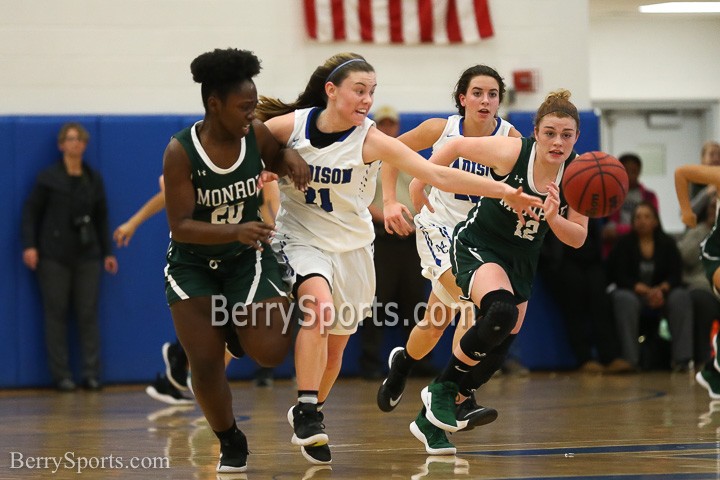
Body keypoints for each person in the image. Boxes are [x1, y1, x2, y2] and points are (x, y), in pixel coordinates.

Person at [255, 52, 542, 465]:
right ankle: (437, 399)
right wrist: (271, 165)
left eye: (372, 92)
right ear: (332, 92)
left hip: (368, 244)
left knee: (359, 343)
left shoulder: (373, 139)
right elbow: (244, 147)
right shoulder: (294, 126)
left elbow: (435, 173)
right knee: (323, 309)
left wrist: (507, 194)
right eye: (360, 90)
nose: (367, 100)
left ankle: (378, 377)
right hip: (334, 235)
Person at [414, 89, 588, 454]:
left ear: (577, 137)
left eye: (567, 135)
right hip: (480, 243)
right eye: (551, 133)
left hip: (521, 258)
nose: (558, 142)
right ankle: (440, 390)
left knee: (500, 344)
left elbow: (577, 238)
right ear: (536, 133)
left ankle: (431, 418)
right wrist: (422, 178)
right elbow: (457, 145)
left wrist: (554, 217)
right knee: (500, 312)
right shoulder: (513, 151)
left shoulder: (579, 175)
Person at [161, 47, 309, 474]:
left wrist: (289, 158)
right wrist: (234, 229)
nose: (251, 114)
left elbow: (276, 154)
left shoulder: (255, 135)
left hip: (246, 259)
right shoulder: (181, 151)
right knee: (204, 364)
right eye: (244, 107)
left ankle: (240, 329)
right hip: (192, 265)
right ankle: (229, 438)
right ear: (214, 104)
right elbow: (181, 226)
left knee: (268, 352)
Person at [376, 65, 521, 426]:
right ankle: (458, 394)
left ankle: (402, 366)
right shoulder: (439, 130)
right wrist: (391, 201)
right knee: (475, 302)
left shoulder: (511, 137)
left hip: (481, 238)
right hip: (438, 225)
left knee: (435, 322)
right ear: (463, 98)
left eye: (492, 94)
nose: (485, 100)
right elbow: (391, 153)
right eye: (477, 93)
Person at [114, 177, 280, 404]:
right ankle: (187, 370)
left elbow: (269, 205)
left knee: (229, 323)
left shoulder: (259, 163)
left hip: (241, 255)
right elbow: (166, 186)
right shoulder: (197, 159)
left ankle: (178, 369)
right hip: (204, 254)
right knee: (216, 321)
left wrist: (277, 247)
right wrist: (133, 222)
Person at [21, 122, 119, 392]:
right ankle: (61, 375)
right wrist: (30, 246)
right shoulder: (48, 178)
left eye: (80, 139)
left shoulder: (92, 178)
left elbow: (101, 217)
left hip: (88, 256)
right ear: (61, 144)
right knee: (56, 315)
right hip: (54, 257)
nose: (76, 144)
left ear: (85, 145)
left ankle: (91, 374)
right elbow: (31, 213)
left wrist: (108, 253)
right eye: (71, 139)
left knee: (88, 315)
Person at [360, 104, 434, 380]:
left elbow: (425, 191)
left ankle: (419, 361)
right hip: (383, 236)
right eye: (384, 124)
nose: (389, 129)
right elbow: (362, 200)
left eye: (392, 124)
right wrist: (387, 217)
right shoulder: (369, 159)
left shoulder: (410, 156)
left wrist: (415, 221)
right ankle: (369, 363)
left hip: (412, 237)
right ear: (377, 127)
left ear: (398, 126)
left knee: (415, 301)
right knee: (377, 302)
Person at [606, 201, 693, 372]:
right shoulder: (623, 244)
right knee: (624, 299)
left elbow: (676, 273)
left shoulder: (667, 243)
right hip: (634, 293)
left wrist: (661, 289)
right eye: (637, 217)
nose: (642, 221)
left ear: (655, 221)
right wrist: (646, 291)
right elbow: (618, 275)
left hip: (663, 293)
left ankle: (682, 360)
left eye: (647, 217)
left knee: (681, 297)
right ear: (632, 222)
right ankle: (631, 360)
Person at [538, 218, 633, 374]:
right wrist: (550, 261)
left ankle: (610, 357)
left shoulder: (586, 200)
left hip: (591, 258)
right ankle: (585, 358)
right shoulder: (551, 196)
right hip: (562, 260)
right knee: (574, 302)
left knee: (601, 301)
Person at [675, 163, 720, 398]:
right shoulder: (718, 176)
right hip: (716, 254)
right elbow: (681, 173)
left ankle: (712, 372)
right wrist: (686, 212)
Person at [601, 152, 659, 255]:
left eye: (633, 171)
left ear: (639, 171)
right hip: (617, 247)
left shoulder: (649, 196)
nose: (630, 174)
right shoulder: (610, 195)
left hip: (640, 244)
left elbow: (652, 224)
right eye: (626, 170)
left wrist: (620, 230)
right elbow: (606, 228)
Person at [690, 141, 720, 224]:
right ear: (703, 159)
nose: (716, 159)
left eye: (719, 155)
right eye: (711, 154)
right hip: (698, 231)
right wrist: (706, 193)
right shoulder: (693, 181)